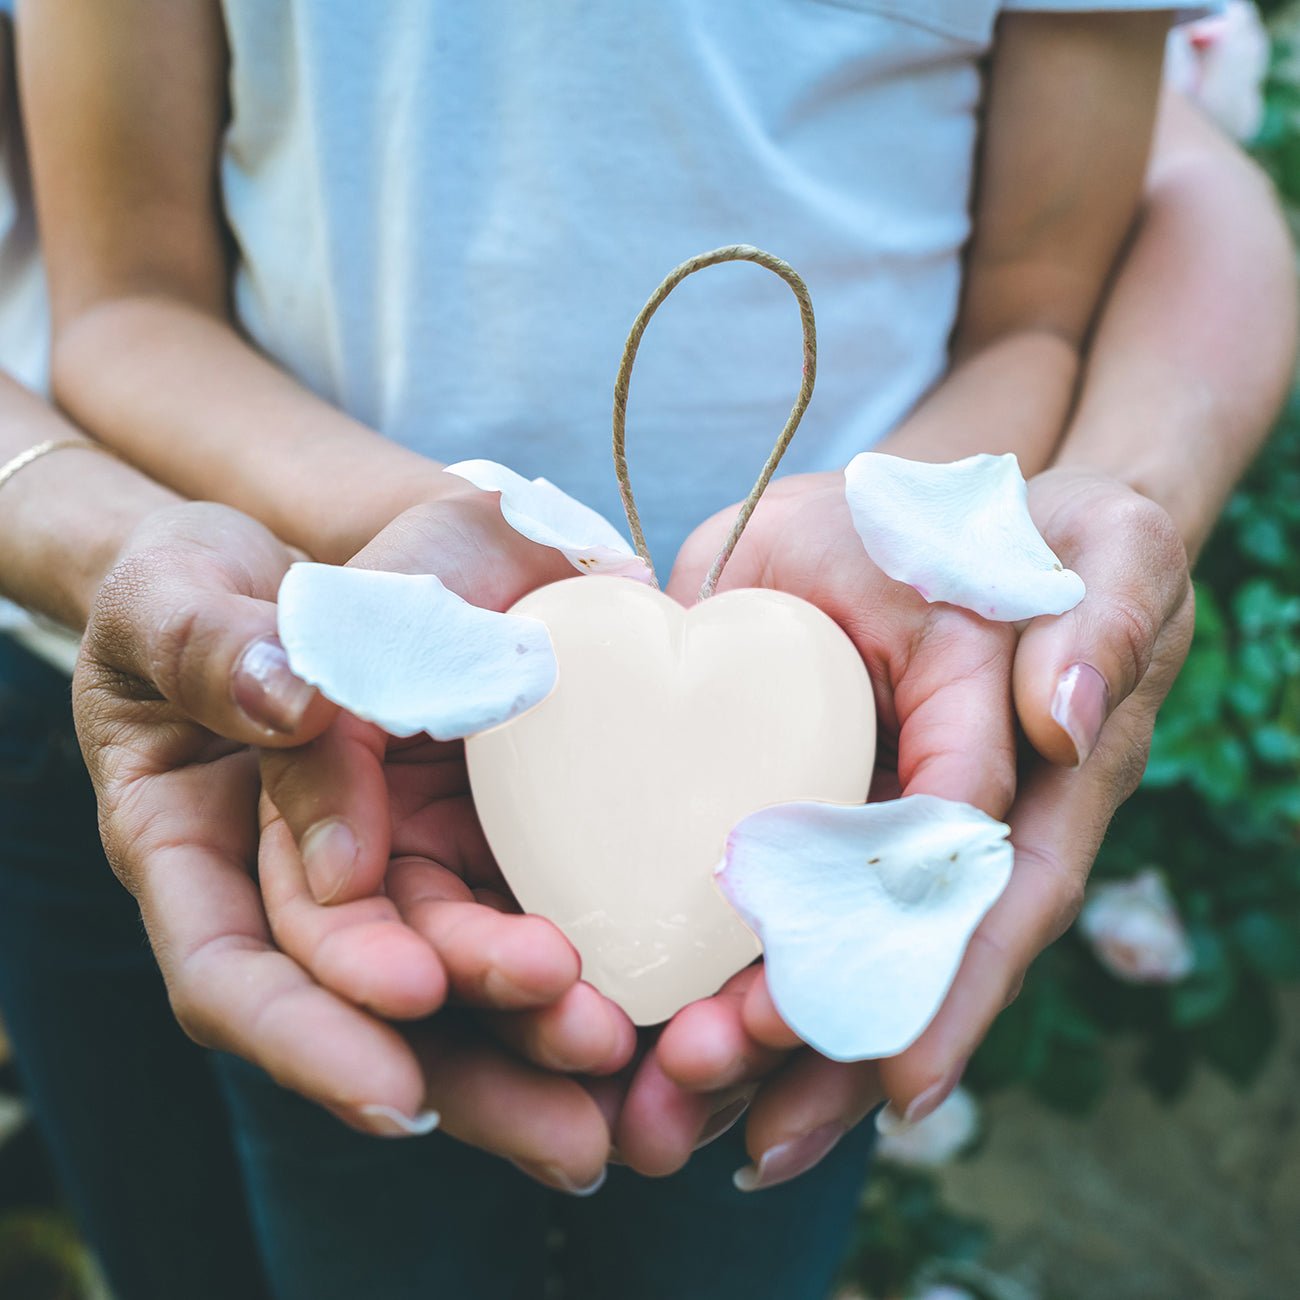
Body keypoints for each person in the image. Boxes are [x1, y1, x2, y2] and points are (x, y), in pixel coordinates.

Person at [6, 3, 1295, 1299]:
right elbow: (126, 303)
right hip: (260, 735)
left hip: (849, 752)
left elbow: (1040, 306)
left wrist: (969, 534)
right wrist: (409, 563)